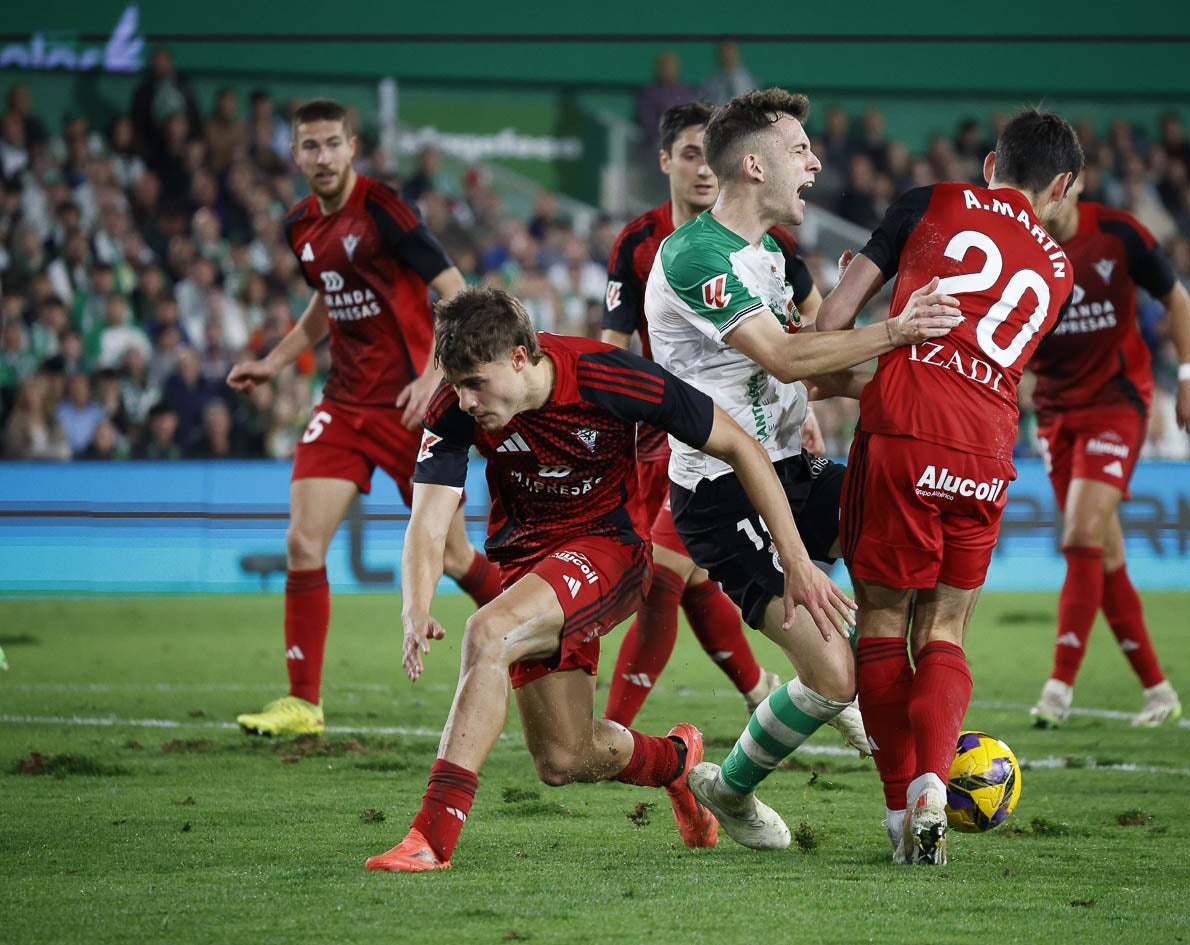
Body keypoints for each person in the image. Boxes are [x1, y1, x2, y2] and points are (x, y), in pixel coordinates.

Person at [365, 286, 855, 870]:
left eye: (477, 383)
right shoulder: (454, 406)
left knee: (487, 632)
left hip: (609, 551)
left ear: (520, 358)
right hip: (528, 563)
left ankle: (429, 838)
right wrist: (414, 607)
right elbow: (427, 522)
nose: (466, 400)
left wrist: (795, 556)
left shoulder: (609, 377)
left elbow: (735, 443)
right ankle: (677, 761)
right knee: (562, 759)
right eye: (458, 384)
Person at [645, 88, 961, 851]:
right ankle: (727, 788)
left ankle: (920, 775)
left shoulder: (774, 259)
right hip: (720, 493)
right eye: (798, 149)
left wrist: (955, 382)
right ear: (753, 165)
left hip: (796, 465)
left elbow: (813, 373)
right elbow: (786, 355)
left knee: (920, 574)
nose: (815, 162)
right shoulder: (694, 255)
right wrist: (895, 329)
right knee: (831, 671)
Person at [816, 107, 1084, 865]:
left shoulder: (929, 202)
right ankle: (938, 780)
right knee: (943, 628)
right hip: (986, 449)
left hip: (904, 432)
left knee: (879, 623)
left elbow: (834, 323)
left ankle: (903, 811)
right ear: (1059, 184)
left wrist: (840, 306)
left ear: (991, 164)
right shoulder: (1058, 270)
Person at [227, 98, 501, 738]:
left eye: (332, 144)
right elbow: (328, 301)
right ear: (294, 154)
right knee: (302, 542)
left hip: (408, 409)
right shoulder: (299, 225)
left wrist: (434, 374)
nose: (321, 157)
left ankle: (545, 638)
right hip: (345, 403)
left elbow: (456, 290)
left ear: (352, 147)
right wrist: (274, 362)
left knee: (457, 556)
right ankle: (303, 704)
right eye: (309, 146)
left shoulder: (384, 209)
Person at [601, 101, 825, 728]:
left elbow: (811, 323)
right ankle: (765, 688)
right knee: (690, 578)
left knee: (671, 576)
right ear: (667, 161)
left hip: (727, 440)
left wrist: (802, 399)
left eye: (710, 155)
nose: (703, 170)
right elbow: (615, 342)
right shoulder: (645, 244)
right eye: (691, 155)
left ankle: (618, 730)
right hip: (661, 433)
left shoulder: (771, 247)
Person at [1027, 173, 1190, 731]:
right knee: (1103, 555)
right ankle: (1158, 691)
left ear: (1074, 184)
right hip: (1055, 412)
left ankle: (1058, 690)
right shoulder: (1018, 245)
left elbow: (1175, 298)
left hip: (1117, 402)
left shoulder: (1120, 235)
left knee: (1080, 533)